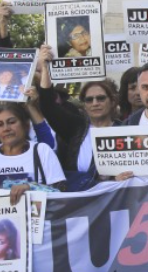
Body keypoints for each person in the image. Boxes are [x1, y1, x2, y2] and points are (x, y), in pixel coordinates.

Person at [36, 45, 122, 191]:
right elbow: (48, 107)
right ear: (84, 105)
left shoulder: (125, 130)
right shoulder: (76, 128)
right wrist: (45, 69)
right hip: (79, 201)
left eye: (100, 98)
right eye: (89, 100)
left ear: (112, 102)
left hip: (113, 200)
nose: (95, 103)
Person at [0, 104, 66, 205]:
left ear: (26, 125)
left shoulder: (42, 150)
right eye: (0, 125)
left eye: (12, 122)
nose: (6, 129)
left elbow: (61, 192)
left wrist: (30, 187)